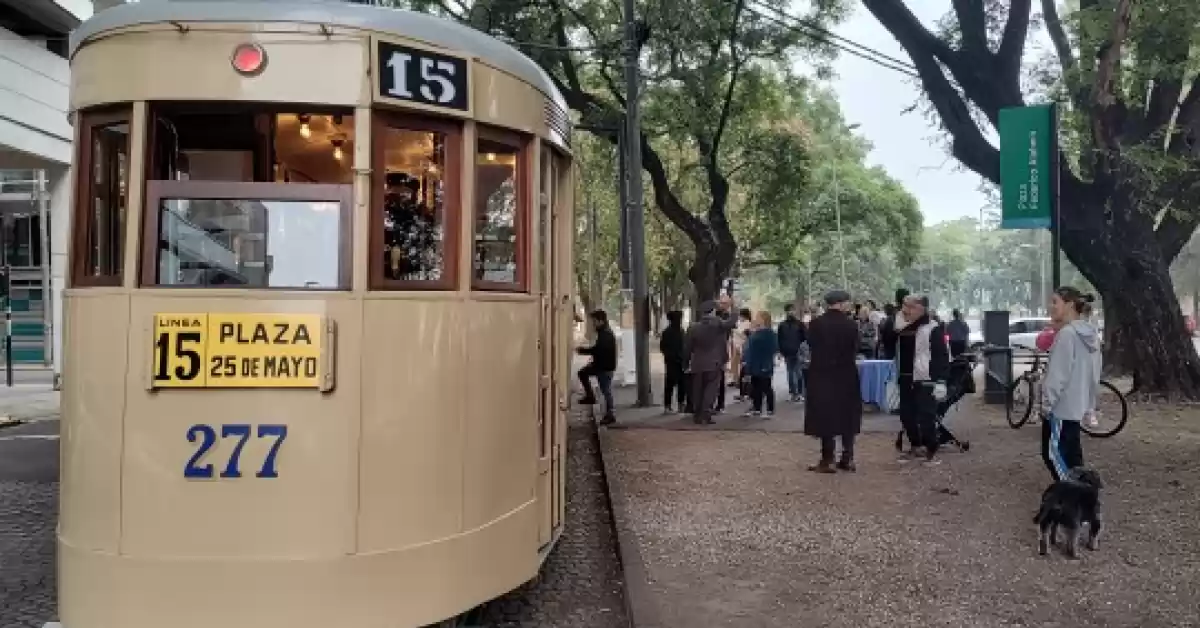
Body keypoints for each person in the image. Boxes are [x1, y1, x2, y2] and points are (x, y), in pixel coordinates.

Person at [1040, 287, 1101, 481]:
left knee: (1054, 456)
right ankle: (1085, 501)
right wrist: (1089, 406)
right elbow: (1094, 375)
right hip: (1075, 407)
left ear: (1069, 305)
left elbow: (1057, 376)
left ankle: (1075, 502)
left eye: (1055, 301)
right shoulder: (1089, 335)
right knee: (1073, 458)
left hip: (1061, 409)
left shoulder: (1067, 335)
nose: (1051, 306)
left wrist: (1046, 405)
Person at [803, 290, 863, 473]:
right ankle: (848, 457)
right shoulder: (852, 325)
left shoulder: (815, 324)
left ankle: (827, 458)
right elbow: (855, 347)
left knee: (825, 415)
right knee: (847, 414)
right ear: (842, 303)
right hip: (846, 374)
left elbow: (811, 345)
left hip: (822, 374)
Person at [894, 295, 950, 464]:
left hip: (925, 378)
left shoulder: (933, 328)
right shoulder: (902, 327)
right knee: (906, 414)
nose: (907, 310)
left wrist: (941, 381)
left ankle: (931, 449)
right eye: (905, 307)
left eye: (911, 307)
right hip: (906, 377)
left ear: (922, 309)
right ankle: (915, 445)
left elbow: (942, 356)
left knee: (926, 416)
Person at [685, 296, 738, 425]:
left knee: (697, 389)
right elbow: (731, 322)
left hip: (697, 363)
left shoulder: (693, 328)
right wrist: (734, 307)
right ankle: (706, 414)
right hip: (714, 363)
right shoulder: (718, 324)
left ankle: (697, 415)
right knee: (710, 390)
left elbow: (687, 348)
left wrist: (686, 363)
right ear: (713, 311)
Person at [577, 310, 618, 425]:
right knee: (583, 373)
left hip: (605, 368)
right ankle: (591, 396)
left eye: (595, 321)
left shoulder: (606, 334)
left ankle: (610, 414)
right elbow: (598, 350)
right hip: (601, 366)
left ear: (601, 321)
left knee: (606, 391)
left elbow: (598, 350)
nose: (593, 324)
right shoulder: (604, 332)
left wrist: (583, 351)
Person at [743, 311, 779, 417]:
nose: (756, 319)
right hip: (754, 363)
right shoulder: (755, 332)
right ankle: (757, 407)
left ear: (763, 319)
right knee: (756, 386)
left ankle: (770, 409)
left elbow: (773, 348)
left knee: (766, 386)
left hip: (763, 363)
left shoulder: (769, 333)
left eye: (758, 317)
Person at [777, 303, 807, 402]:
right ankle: (794, 393)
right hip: (788, 351)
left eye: (792, 310)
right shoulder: (782, 325)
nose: (791, 312)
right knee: (791, 373)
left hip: (797, 351)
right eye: (789, 310)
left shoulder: (799, 324)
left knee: (797, 373)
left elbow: (805, 337)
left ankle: (799, 393)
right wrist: (780, 351)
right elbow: (779, 338)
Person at [660, 310, 688, 413]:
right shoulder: (675, 332)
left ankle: (672, 405)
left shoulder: (676, 331)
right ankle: (675, 405)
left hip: (674, 361)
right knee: (675, 384)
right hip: (675, 361)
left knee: (675, 384)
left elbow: (662, 347)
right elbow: (663, 347)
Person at [878, 288, 910, 360]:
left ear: (896, 300)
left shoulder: (891, 319)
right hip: (909, 360)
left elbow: (884, 339)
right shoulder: (913, 318)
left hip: (892, 359)